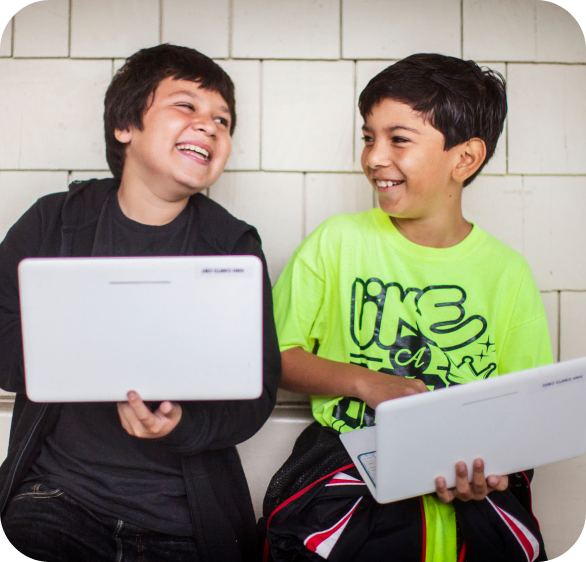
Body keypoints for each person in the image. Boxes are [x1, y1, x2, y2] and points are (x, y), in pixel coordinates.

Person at [262, 53, 552, 562]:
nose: (374, 157)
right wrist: (365, 383)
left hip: (466, 511)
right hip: (350, 496)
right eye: (368, 137)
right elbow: (275, 356)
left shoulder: (508, 272)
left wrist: (489, 470)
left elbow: (526, 413)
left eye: (398, 139)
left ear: (465, 159)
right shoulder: (337, 242)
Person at [0, 44, 280, 562]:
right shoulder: (53, 223)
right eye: (186, 105)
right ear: (125, 125)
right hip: (57, 499)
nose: (210, 125)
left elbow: (257, 393)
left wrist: (180, 426)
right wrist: (79, 352)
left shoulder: (232, 244)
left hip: (183, 519)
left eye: (222, 120)